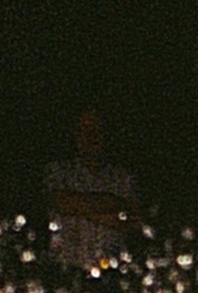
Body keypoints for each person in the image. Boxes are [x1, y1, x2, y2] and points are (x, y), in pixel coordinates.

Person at [43, 106, 139, 271]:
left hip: (113, 273)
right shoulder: (59, 171)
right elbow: (62, 202)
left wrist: (79, 207)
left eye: (96, 130)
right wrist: (113, 207)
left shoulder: (123, 178)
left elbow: (134, 220)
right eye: (85, 130)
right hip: (67, 272)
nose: (90, 137)